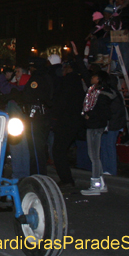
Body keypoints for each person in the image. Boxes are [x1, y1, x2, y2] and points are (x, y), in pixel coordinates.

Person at [49, 43, 88, 190]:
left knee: (58, 150)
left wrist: (54, 117)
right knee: (60, 149)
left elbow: (61, 102)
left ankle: (66, 179)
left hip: (67, 121)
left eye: (65, 67)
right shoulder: (76, 82)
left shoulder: (68, 82)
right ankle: (66, 178)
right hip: (73, 120)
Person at [80, 70, 118, 195]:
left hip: (95, 126)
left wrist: (89, 115)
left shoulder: (101, 94)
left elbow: (102, 111)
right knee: (94, 156)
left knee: (94, 156)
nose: (92, 78)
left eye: (94, 76)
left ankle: (95, 184)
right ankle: (101, 183)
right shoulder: (95, 91)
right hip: (95, 125)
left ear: (99, 79)